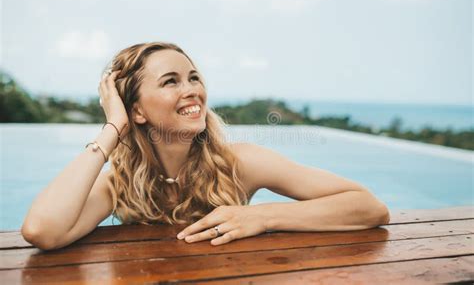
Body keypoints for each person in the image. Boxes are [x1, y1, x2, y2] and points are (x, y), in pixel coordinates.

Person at [21, 42, 390, 250]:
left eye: (193, 77)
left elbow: (369, 208)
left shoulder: (240, 162)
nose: (192, 90)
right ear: (137, 110)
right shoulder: (121, 184)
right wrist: (112, 128)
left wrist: (262, 216)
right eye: (170, 82)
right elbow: (42, 230)